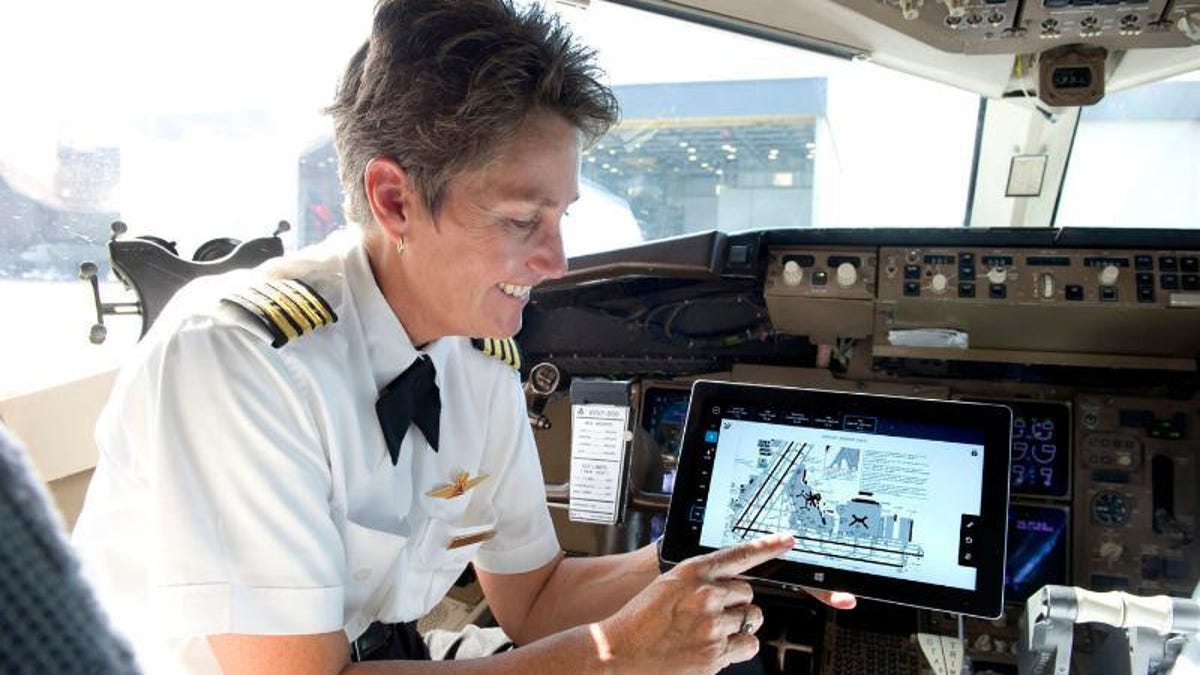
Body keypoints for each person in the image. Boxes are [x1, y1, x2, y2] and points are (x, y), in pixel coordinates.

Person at [72, 1, 855, 673]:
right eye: (520, 220)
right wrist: (618, 654)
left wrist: (707, 545)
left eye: (560, 217)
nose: (555, 262)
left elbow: (535, 597)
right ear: (395, 200)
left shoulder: (476, 357)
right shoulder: (239, 360)